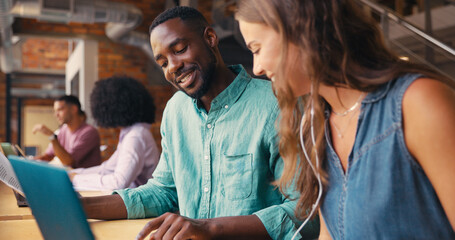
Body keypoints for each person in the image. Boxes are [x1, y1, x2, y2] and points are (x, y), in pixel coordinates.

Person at [81, 6, 319, 240]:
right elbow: (163, 191)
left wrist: (209, 229)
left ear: (210, 38)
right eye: (163, 63)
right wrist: (80, 205)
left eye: (180, 49)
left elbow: (304, 211)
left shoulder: (277, 104)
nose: (172, 67)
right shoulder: (175, 111)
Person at [235, 0, 455, 239]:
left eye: (256, 49)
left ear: (300, 31)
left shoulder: (417, 102)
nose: (256, 68)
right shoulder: (316, 126)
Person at [69, 76, 160, 191]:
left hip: (141, 206)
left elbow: (119, 182)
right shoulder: (130, 132)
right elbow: (107, 168)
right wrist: (73, 173)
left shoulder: (135, 136)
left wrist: (76, 178)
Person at [32, 95, 101, 168]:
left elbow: (68, 162)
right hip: (70, 176)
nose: (56, 115)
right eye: (55, 111)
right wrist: (31, 161)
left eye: (60, 110)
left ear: (74, 109)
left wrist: (52, 136)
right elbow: (49, 156)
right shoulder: (63, 130)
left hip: (84, 178)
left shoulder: (89, 132)